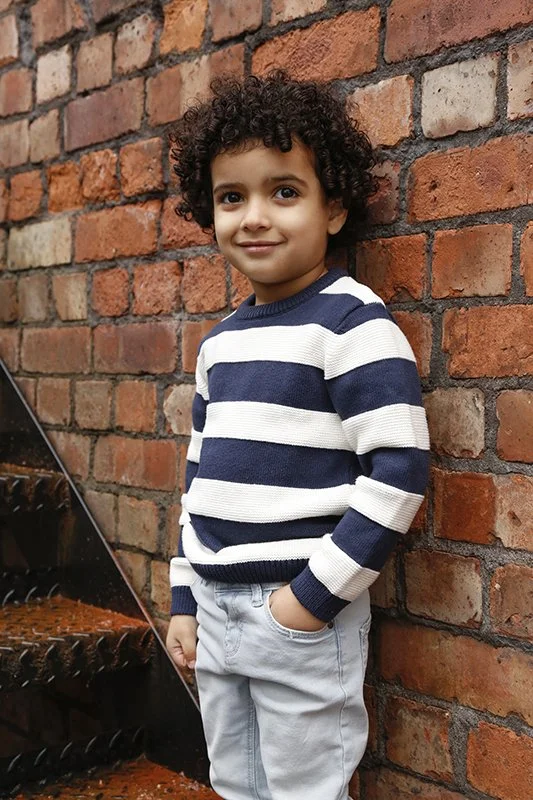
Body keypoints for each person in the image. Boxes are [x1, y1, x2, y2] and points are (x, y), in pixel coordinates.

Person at [165, 71, 430, 800]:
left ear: (333, 207)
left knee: (305, 792)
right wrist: (185, 598)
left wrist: (310, 599)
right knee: (233, 783)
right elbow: (199, 484)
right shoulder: (218, 345)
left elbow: (399, 470)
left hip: (299, 609)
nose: (254, 216)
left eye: (284, 192)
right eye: (231, 197)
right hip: (215, 609)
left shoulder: (351, 324)